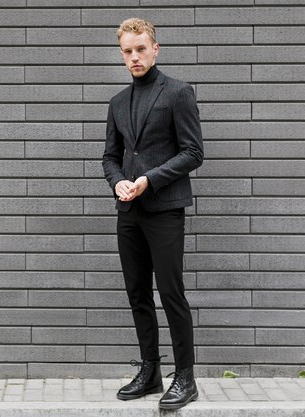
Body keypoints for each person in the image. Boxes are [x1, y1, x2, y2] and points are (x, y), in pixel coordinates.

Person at [102, 18, 204, 410]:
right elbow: (110, 157)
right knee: (137, 292)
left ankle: (186, 378)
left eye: (140, 49)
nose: (134, 57)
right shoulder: (117, 103)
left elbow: (193, 152)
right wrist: (117, 183)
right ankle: (150, 371)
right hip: (128, 209)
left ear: (155, 48)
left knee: (171, 292)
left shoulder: (178, 92)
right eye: (127, 51)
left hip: (163, 208)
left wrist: (148, 179)